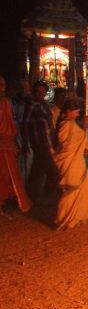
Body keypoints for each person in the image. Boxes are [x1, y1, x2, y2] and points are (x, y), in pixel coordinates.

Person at [52, 99, 88, 230]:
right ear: (68, 112)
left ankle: (82, 213)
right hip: (70, 161)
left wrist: (83, 129)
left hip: (76, 160)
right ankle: (64, 218)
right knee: (72, 189)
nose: (77, 115)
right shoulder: (65, 124)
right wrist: (85, 127)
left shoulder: (70, 122)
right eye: (75, 112)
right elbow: (67, 144)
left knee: (87, 184)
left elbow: (76, 138)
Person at [22, 81, 60, 201]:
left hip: (47, 140)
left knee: (37, 170)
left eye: (43, 91)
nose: (40, 93)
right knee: (52, 170)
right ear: (34, 92)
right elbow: (25, 124)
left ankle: (30, 196)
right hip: (39, 142)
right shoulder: (32, 105)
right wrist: (25, 142)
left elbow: (49, 124)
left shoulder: (45, 104)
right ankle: (64, 196)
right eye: (38, 91)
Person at [0, 76, 31, 213]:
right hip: (5, 143)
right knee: (7, 174)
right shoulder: (5, 102)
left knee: (8, 173)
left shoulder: (6, 102)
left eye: (4, 85)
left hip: (7, 143)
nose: (3, 88)